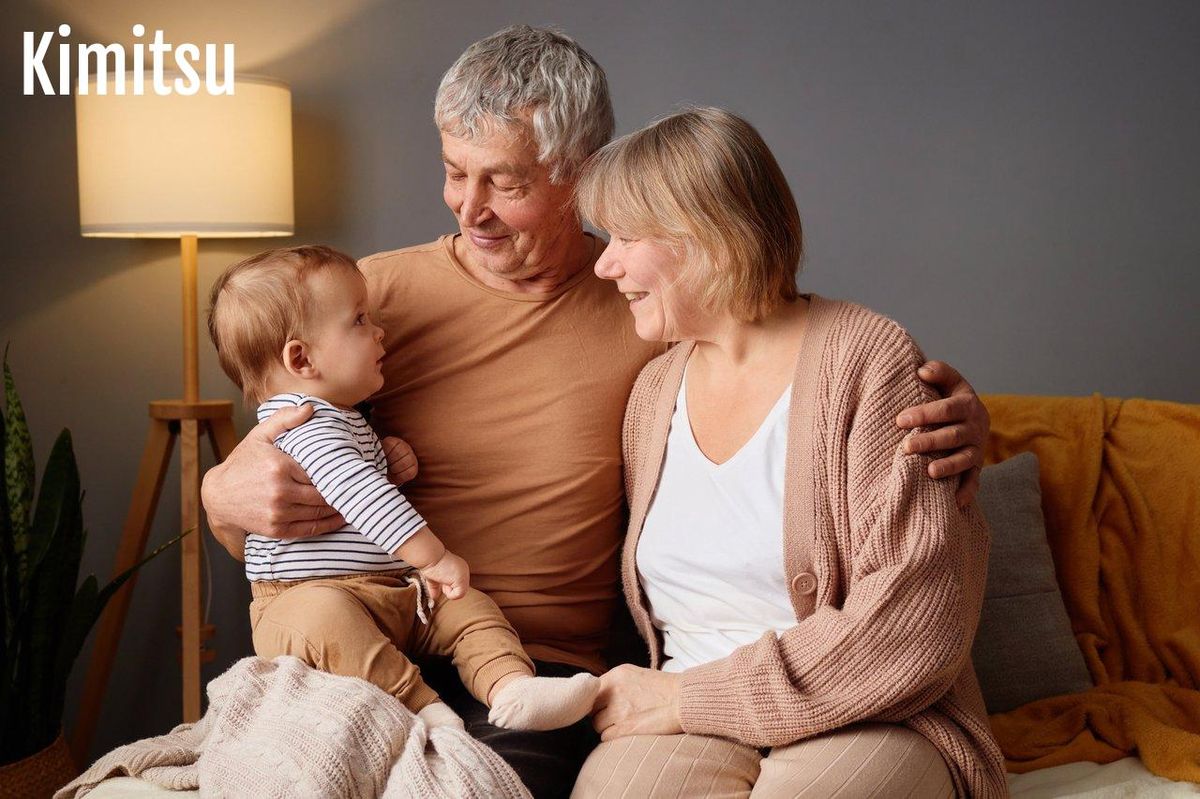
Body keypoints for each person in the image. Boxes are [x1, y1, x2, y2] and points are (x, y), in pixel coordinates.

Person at [201, 26, 993, 798]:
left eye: (505, 183)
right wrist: (219, 497)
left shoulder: (653, 317)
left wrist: (950, 419)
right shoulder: (368, 304)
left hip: (534, 664)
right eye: (453, 172)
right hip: (375, 624)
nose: (467, 209)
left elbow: (799, 364)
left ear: (580, 173)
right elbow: (286, 468)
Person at [571, 106, 1007, 797]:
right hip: (682, 719)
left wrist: (685, 699)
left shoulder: (869, 359)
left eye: (626, 236)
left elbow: (912, 628)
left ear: (707, 234)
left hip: (873, 715)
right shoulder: (652, 393)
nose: (605, 263)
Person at [205, 244, 600, 733]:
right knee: (326, 619)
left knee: (465, 605)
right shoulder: (305, 425)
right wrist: (432, 557)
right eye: (359, 321)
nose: (378, 331)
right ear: (301, 358)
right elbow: (360, 497)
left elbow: (353, 486)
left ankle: (510, 685)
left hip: (389, 594)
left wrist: (385, 460)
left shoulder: (340, 418)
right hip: (304, 598)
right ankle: (421, 710)